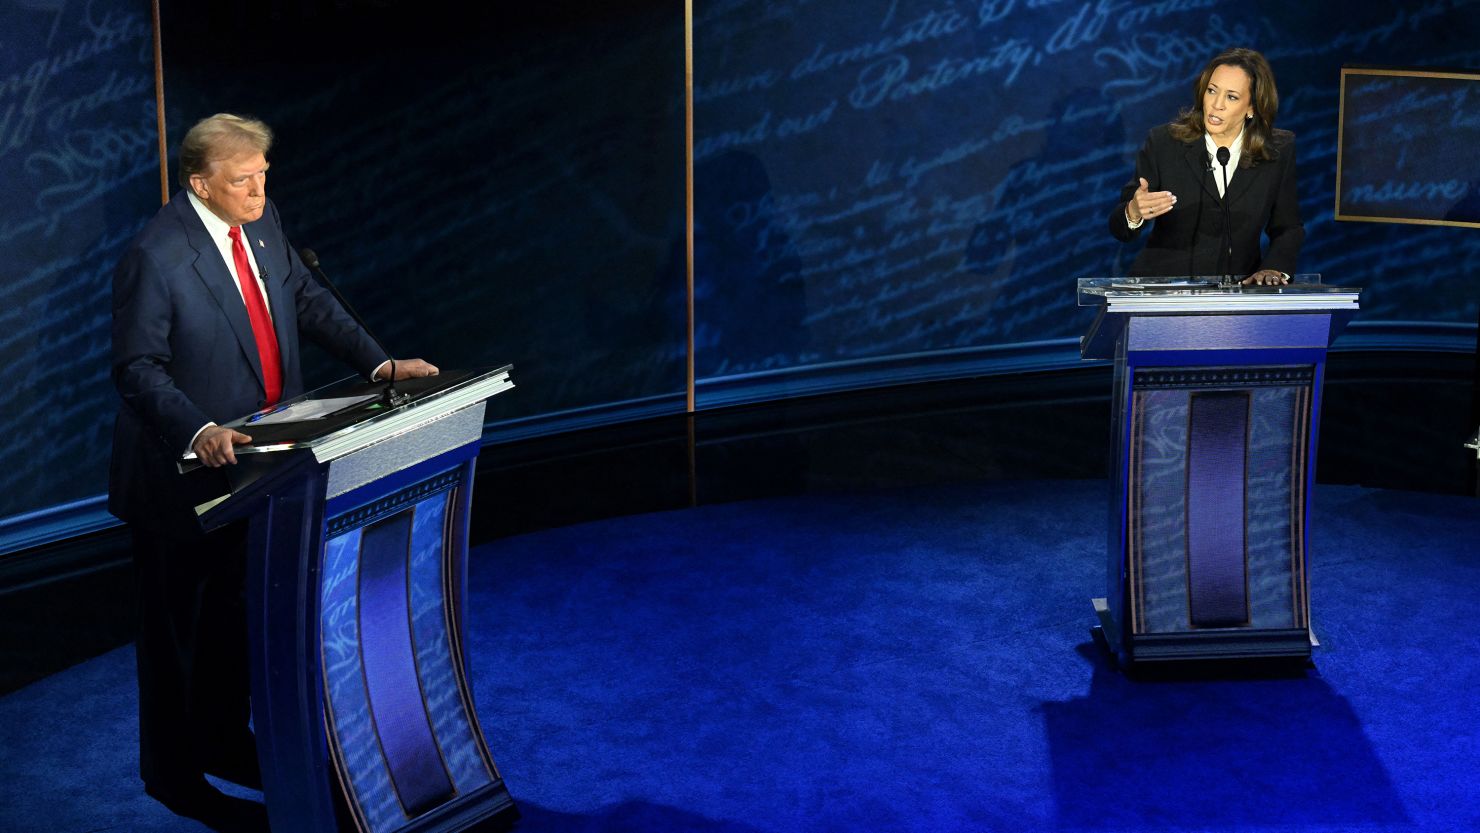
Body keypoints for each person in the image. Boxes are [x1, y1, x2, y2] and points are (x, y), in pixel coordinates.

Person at [109, 113, 437, 828]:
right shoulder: (157, 255)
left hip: (262, 467)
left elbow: (307, 299)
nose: (260, 190)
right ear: (201, 183)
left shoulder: (262, 220)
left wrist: (378, 363)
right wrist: (199, 428)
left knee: (234, 616)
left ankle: (224, 739)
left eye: (263, 175)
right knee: (177, 635)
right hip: (182, 476)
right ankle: (171, 775)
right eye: (243, 180)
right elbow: (136, 366)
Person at [1109, 47, 1303, 285]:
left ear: (1252, 107)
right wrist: (1134, 212)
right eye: (1212, 91)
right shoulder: (1165, 143)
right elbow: (1120, 229)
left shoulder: (1277, 150)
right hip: (1163, 293)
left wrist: (1274, 269)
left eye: (1231, 97)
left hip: (1238, 296)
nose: (1216, 104)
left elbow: (1288, 227)